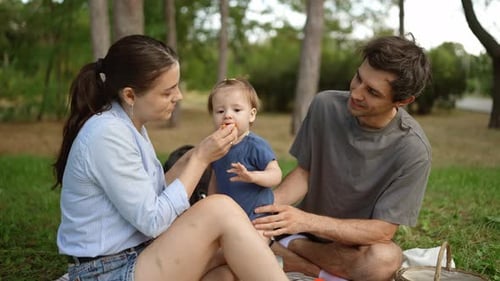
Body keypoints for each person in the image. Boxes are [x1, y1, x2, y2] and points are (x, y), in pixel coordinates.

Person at [53, 34, 288, 281]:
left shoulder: (129, 125)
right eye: (168, 92)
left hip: (136, 255)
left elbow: (152, 193)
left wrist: (195, 157)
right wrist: (199, 158)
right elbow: (153, 220)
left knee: (229, 268)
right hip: (109, 271)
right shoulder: (107, 134)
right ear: (130, 95)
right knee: (219, 209)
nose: (178, 96)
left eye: (177, 86)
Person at [252, 35, 432, 281]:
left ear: (402, 101)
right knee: (248, 231)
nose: (356, 93)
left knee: (385, 261)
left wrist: (304, 223)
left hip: (355, 245)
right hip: (308, 233)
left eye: (372, 92)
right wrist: (265, 210)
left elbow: (381, 232)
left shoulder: (413, 150)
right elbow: (305, 172)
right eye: (358, 78)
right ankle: (318, 269)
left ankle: (291, 251)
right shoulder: (325, 105)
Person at [207, 78, 282, 224]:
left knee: (254, 245)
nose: (227, 115)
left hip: (257, 217)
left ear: (251, 115)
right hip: (228, 219)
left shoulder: (255, 146)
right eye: (220, 111)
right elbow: (215, 179)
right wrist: (210, 204)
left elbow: (276, 175)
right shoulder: (217, 147)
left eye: (236, 110)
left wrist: (252, 177)